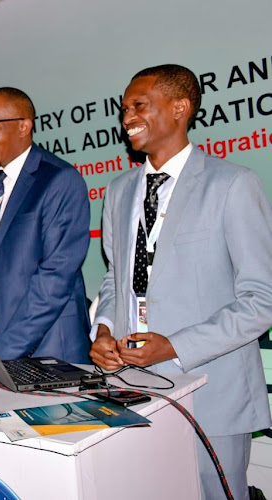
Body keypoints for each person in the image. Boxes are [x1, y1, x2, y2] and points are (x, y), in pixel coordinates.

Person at [90, 64, 272, 500]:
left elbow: (261, 301)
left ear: (180, 108)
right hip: (132, 388)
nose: (126, 118)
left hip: (213, 391)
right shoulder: (117, 192)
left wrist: (175, 346)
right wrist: (103, 330)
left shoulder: (233, 184)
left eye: (139, 106)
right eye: (123, 109)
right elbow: (117, 280)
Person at [0, 87, 91, 364]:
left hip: (47, 350)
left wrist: (2, 353)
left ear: (24, 126)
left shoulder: (59, 180)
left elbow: (55, 279)